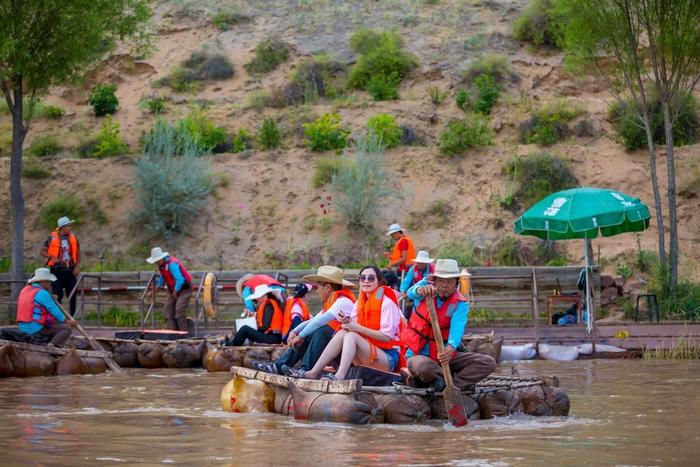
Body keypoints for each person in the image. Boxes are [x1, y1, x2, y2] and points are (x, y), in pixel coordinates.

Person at [287, 266, 402, 380]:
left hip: (387, 358)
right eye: (363, 278)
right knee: (343, 332)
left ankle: (339, 376)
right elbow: (316, 320)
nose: (366, 281)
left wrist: (356, 328)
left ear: (379, 282)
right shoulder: (359, 303)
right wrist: (346, 323)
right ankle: (313, 372)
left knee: (347, 335)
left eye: (371, 278)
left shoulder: (387, 303)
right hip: (368, 353)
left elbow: (386, 337)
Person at [402, 258, 496, 391]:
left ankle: (452, 386)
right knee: (425, 367)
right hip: (419, 355)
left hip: (444, 357)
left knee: (488, 362)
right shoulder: (424, 289)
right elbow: (412, 292)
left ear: (456, 283)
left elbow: (457, 328)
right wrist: (420, 290)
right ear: (434, 281)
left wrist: (451, 347)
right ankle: (442, 380)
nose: (444, 285)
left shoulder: (460, 304)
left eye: (449, 281)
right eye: (440, 280)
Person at [252, 265, 356, 375]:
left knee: (322, 330)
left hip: (347, 348)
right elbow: (314, 320)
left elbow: (319, 322)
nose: (317, 291)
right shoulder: (332, 301)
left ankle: (304, 370)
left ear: (328, 287)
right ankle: (278, 366)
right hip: (336, 344)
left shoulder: (343, 301)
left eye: (318, 287)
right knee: (313, 330)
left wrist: (300, 336)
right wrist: (295, 331)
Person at [16, 268, 76, 347]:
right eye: (48, 281)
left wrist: (50, 298)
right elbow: (55, 311)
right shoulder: (43, 293)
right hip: (35, 328)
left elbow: (37, 301)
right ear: (42, 282)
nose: (50, 284)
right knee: (66, 329)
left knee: (57, 323)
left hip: (22, 326)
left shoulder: (24, 290)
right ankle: (51, 346)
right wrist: (67, 321)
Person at [40, 216, 80, 316]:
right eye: (68, 226)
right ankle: (59, 318)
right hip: (57, 270)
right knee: (57, 295)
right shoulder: (51, 237)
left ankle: (72, 317)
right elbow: (42, 251)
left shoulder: (73, 237)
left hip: (70, 271)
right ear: (62, 227)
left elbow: (78, 253)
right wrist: (52, 258)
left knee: (72, 294)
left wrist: (76, 267)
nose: (70, 228)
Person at [146, 247, 193, 331]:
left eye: (157, 261)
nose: (156, 263)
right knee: (167, 310)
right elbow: (163, 277)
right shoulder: (162, 266)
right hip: (172, 289)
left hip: (184, 289)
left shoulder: (172, 265)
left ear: (161, 258)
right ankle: (172, 330)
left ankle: (184, 332)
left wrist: (175, 292)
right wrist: (155, 290)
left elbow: (180, 280)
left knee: (179, 310)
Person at [399, 250, 435, 316]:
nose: (419, 264)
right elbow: (406, 281)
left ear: (426, 263)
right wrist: (403, 291)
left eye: (422, 263)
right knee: (408, 309)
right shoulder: (413, 269)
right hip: (416, 293)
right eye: (418, 262)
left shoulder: (434, 269)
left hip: (431, 296)